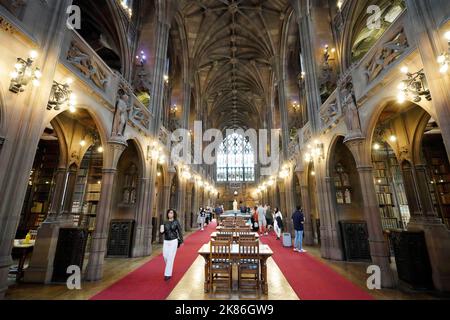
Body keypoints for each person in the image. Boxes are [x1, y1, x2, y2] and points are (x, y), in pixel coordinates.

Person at [160, 209, 183, 281]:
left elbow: (180, 231)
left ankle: (167, 275)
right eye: (169, 213)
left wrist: (181, 241)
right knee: (165, 256)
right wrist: (161, 230)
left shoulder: (176, 222)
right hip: (166, 241)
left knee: (170, 257)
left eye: (171, 213)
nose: (170, 214)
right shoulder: (165, 222)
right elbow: (162, 232)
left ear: (174, 214)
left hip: (174, 241)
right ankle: (169, 267)